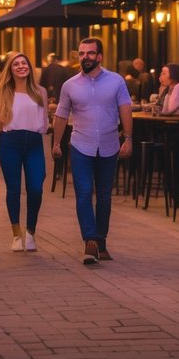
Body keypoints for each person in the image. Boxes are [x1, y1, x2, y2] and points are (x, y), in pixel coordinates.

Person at [52, 38, 133, 265]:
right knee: (85, 193)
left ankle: (102, 241)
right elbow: (61, 114)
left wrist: (128, 138)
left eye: (89, 53)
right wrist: (56, 143)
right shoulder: (70, 85)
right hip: (81, 145)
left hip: (109, 145)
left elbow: (125, 109)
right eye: (81, 53)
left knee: (105, 196)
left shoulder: (116, 81)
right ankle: (89, 240)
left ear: (99, 56)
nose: (84, 57)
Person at [0, 51, 48, 252]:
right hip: (9, 142)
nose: (21, 66)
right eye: (16, 64)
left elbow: (44, 123)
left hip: (33, 142)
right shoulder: (4, 91)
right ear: (10, 70)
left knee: (36, 188)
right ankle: (16, 234)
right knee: (13, 189)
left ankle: (31, 231)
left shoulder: (40, 91)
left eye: (24, 63)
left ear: (30, 67)